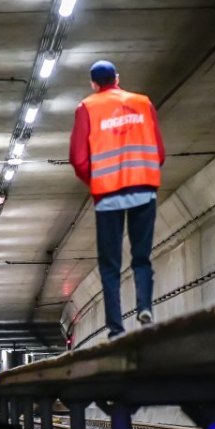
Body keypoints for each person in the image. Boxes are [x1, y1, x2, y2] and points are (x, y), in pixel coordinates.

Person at [69, 59, 165, 340]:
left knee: (110, 265)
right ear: (117, 78)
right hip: (143, 190)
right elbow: (159, 152)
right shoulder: (143, 103)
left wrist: (97, 180)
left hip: (108, 196)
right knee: (141, 257)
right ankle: (145, 307)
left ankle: (115, 328)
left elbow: (78, 159)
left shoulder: (87, 107)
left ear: (93, 83)